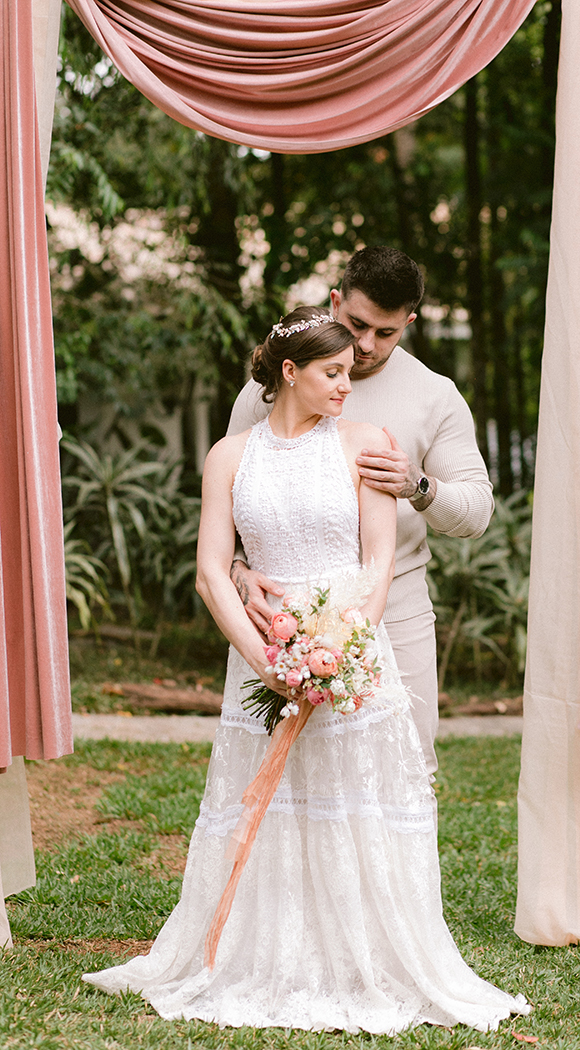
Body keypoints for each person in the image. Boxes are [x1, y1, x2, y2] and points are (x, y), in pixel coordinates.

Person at [83, 307, 528, 1033]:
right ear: (290, 373)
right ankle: (263, 952)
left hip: (349, 653)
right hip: (263, 651)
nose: (348, 385)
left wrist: (342, 649)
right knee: (274, 804)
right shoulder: (228, 455)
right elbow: (211, 573)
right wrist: (266, 662)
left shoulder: (366, 445)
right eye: (333, 372)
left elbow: (378, 563)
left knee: (354, 804)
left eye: (350, 373)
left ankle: (363, 957)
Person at [228, 247, 493, 777]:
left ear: (409, 323)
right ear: (335, 301)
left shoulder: (434, 395)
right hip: (284, 617)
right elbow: (235, 494)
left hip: (397, 610)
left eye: (386, 333)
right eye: (356, 324)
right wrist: (238, 569)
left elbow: (476, 512)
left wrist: (417, 485)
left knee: (405, 769)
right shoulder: (272, 388)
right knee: (288, 775)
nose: (367, 345)